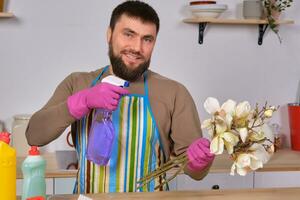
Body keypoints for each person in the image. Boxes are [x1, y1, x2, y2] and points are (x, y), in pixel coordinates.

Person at [25, 0, 215, 194]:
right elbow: (34, 135)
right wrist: (81, 102)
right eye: (128, 34)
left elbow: (195, 172)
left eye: (147, 39)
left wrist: (200, 162)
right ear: (109, 35)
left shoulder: (174, 93)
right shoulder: (78, 83)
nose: (136, 47)